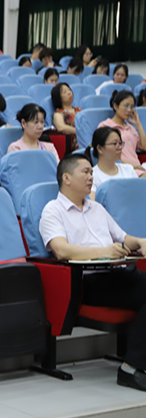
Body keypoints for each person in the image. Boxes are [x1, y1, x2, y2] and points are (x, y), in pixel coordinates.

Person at [39, 154, 146, 392]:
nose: (91, 177)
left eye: (91, 172)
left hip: (118, 275)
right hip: (87, 282)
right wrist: (103, 252)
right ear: (66, 178)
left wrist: (140, 241)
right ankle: (130, 369)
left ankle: (134, 365)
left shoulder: (97, 208)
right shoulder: (53, 210)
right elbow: (61, 249)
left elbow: (123, 238)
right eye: (85, 172)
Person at [97, 90, 146, 176]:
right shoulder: (105, 126)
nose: (129, 110)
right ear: (115, 106)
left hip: (137, 169)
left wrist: (138, 124)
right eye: (126, 106)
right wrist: (131, 166)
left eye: (132, 107)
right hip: (120, 168)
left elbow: (144, 147)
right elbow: (107, 154)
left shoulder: (131, 128)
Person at [86, 127, 140, 200]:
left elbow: (138, 196)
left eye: (120, 143)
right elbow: (92, 203)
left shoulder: (129, 169)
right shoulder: (92, 176)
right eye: (115, 144)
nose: (120, 147)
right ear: (100, 148)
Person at [52, 83, 82, 150]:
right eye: (64, 92)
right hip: (72, 144)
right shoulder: (58, 113)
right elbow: (61, 127)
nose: (69, 93)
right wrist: (79, 132)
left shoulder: (79, 110)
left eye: (69, 90)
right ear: (58, 97)